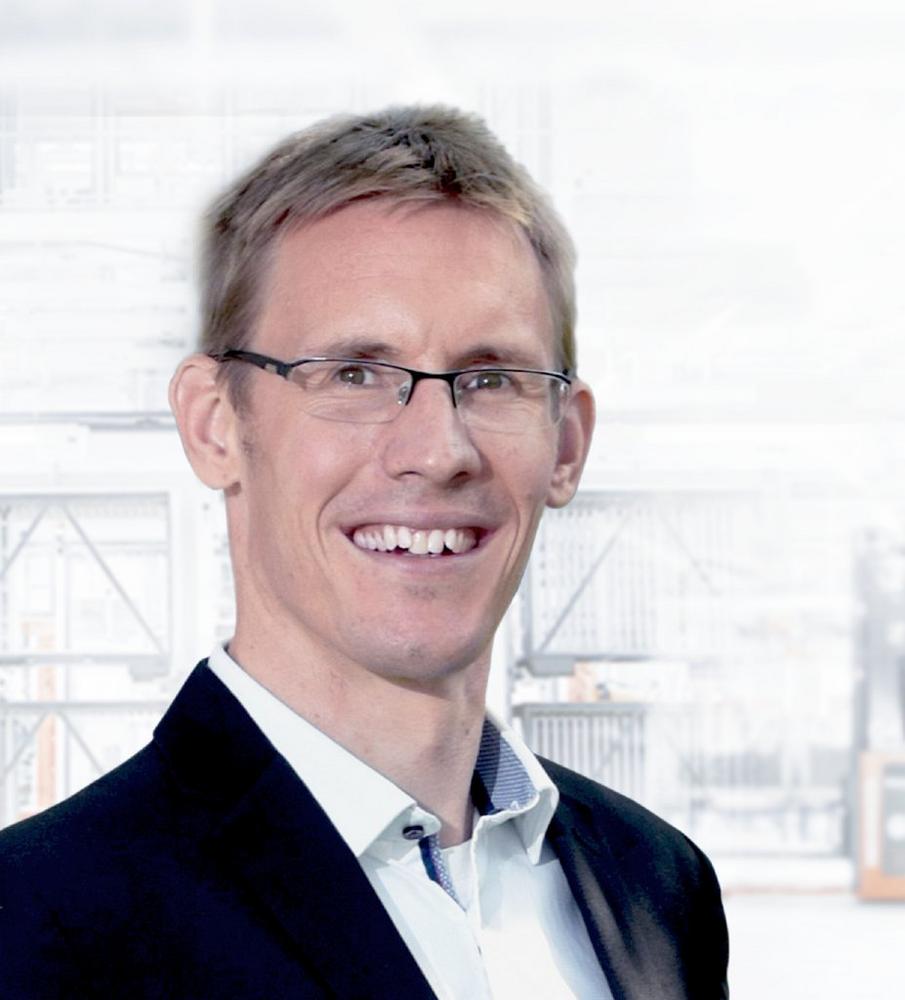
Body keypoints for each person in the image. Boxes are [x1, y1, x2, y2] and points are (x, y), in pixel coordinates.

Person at [0, 105, 728, 999]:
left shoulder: (658, 885)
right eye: (354, 373)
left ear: (566, 444)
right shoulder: (39, 920)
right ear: (215, 425)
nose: (438, 449)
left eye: (492, 378)